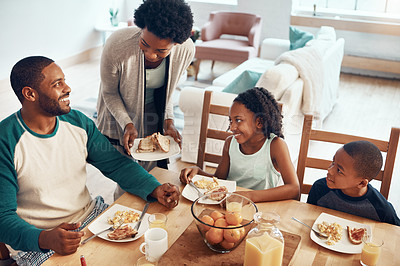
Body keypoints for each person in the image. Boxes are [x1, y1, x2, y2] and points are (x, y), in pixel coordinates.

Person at [0, 56, 180, 265]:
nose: (67, 88)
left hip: (91, 217)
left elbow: (115, 164)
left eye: (64, 80)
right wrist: (45, 238)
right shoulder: (6, 141)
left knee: (150, 253)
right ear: (30, 94)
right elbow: (3, 217)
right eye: (57, 84)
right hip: (39, 241)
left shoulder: (78, 122)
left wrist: (154, 188)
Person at [96, 0, 195, 199]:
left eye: (160, 51)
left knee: (152, 170)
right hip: (118, 110)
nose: (150, 54)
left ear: (176, 44)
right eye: (145, 44)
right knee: (127, 173)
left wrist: (168, 120)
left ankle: (151, 216)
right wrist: (128, 124)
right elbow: (110, 93)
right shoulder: (117, 45)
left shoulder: (186, 50)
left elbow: (168, 90)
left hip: (153, 111)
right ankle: (124, 218)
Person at [179, 87, 300, 203]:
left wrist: (249, 196)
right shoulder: (230, 143)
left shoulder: (275, 146)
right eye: (230, 121)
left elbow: (294, 189)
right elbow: (220, 180)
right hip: (230, 206)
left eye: (238, 120)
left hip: (260, 210)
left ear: (259, 122)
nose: (231, 127)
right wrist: (198, 172)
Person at [307, 140, 400, 226]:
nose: (330, 170)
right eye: (333, 162)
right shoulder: (319, 188)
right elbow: (307, 216)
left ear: (361, 183)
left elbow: (395, 233)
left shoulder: (382, 210)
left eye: (339, 170)